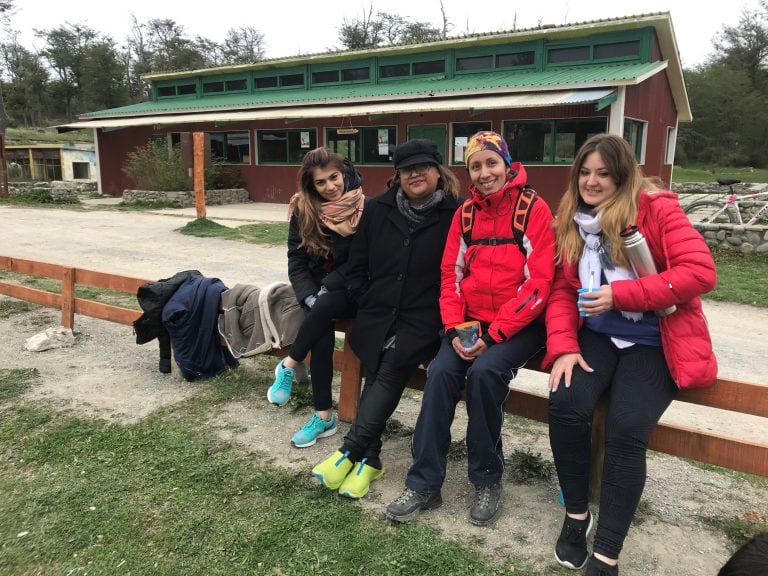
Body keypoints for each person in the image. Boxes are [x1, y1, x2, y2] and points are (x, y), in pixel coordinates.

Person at [544, 134, 717, 575]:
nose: (592, 181)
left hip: (656, 339)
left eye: (603, 173)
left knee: (625, 429)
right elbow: (564, 289)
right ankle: (576, 515)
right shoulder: (572, 218)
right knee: (565, 402)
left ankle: (606, 553)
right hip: (598, 337)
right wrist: (563, 345)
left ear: (623, 176)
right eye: (584, 172)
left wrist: (620, 295)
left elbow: (699, 272)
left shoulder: (656, 209)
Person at [384, 131, 555, 526]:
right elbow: (450, 274)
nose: (484, 172)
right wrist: (456, 329)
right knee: (441, 373)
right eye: (475, 166)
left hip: (520, 322)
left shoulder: (532, 209)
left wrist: (494, 337)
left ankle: (487, 479)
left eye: (491, 163)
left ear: (507, 165)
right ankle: (425, 482)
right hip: (471, 322)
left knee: (484, 373)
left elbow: (538, 284)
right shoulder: (465, 215)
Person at [310, 139, 462, 499]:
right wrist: (366, 300)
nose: (416, 174)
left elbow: (456, 273)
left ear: (438, 171)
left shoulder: (455, 214)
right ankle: (368, 458)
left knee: (391, 362)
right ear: (398, 175)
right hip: (377, 312)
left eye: (423, 167)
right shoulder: (377, 210)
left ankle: (351, 451)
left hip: (423, 319)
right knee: (378, 361)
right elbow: (357, 265)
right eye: (408, 169)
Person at [267, 147, 366, 448]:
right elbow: (296, 259)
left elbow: (361, 260)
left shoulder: (364, 208)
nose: (330, 186)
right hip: (317, 294)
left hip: (355, 289)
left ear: (344, 173)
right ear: (312, 186)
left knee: (321, 308)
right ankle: (324, 416)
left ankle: (289, 364)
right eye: (321, 182)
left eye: (333, 177)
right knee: (320, 330)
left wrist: (326, 288)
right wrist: (308, 294)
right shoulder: (303, 209)